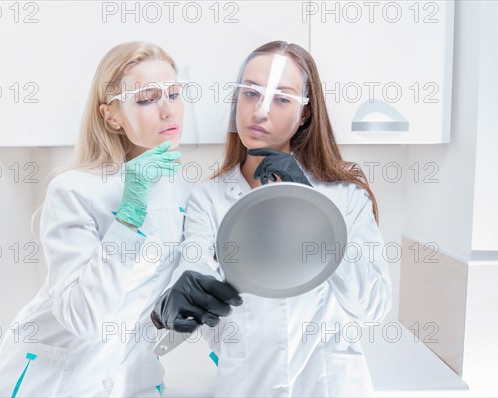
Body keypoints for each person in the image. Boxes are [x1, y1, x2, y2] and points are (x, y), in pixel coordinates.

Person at [151, 41, 393, 397]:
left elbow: (372, 308)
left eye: (281, 98)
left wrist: (312, 211)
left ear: (305, 114)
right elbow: (195, 266)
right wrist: (172, 304)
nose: (259, 112)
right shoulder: (209, 199)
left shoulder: (343, 197)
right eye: (250, 93)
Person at [0, 41, 193, 397]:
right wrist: (128, 218)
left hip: (134, 378)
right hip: (55, 381)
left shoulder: (182, 190)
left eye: (174, 94)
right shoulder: (74, 191)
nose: (168, 111)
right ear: (111, 116)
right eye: (146, 99)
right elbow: (84, 318)